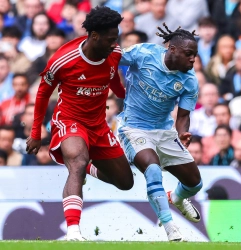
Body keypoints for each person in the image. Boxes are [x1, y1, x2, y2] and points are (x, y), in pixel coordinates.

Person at [26, 6, 134, 241]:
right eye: (110, 39)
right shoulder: (63, 60)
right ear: (94, 36)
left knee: (125, 182)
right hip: (69, 121)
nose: (114, 44)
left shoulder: (113, 53)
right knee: (76, 162)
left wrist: (128, 95)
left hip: (99, 125)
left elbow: (115, 80)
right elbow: (43, 94)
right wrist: (36, 133)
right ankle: (73, 232)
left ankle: (86, 166)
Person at [118, 23, 202, 241]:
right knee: (153, 170)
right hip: (133, 128)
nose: (193, 60)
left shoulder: (190, 81)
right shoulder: (142, 53)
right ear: (172, 49)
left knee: (195, 183)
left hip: (164, 132)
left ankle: (176, 197)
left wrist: (183, 134)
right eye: (189, 54)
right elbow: (111, 59)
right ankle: (170, 228)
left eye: (195, 55)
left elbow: (183, 116)